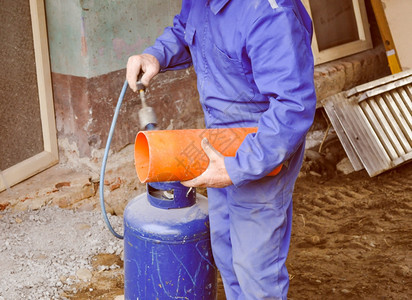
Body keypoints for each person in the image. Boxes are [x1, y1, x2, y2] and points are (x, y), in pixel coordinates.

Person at [126, 0, 316, 298]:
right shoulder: (203, 2)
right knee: (226, 253)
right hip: (217, 145)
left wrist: (236, 167)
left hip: (262, 148)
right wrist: (155, 56)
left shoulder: (270, 13)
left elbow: (293, 108)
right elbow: (185, 28)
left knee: (255, 269)